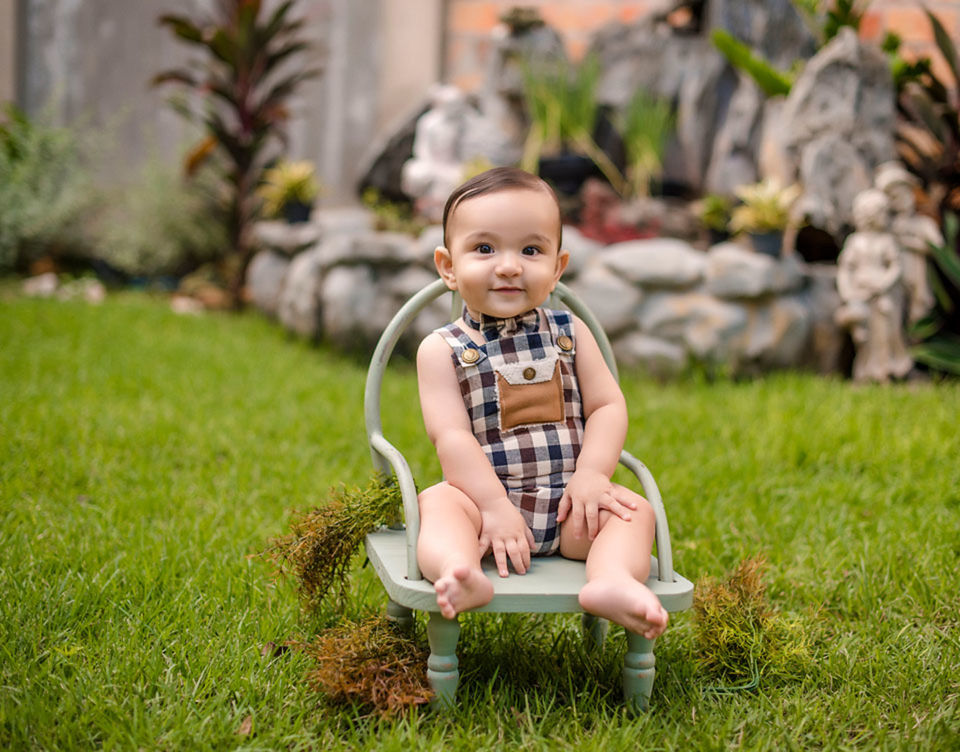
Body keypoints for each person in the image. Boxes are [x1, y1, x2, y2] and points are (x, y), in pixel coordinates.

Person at [415, 167, 669, 640]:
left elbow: (608, 407)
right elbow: (450, 436)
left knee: (635, 512)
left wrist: (593, 475)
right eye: (484, 248)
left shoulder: (571, 333)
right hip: (484, 508)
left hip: (571, 504)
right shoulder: (441, 349)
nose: (509, 266)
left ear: (557, 267)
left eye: (531, 250)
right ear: (448, 267)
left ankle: (611, 579)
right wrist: (491, 507)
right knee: (439, 503)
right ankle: (460, 570)